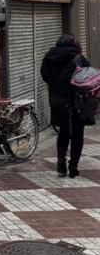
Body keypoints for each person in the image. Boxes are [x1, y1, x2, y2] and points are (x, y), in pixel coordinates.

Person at [40, 34, 90, 178]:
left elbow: (45, 76)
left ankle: (61, 162)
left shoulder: (49, 57)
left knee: (63, 132)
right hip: (76, 100)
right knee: (77, 134)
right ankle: (73, 166)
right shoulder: (78, 58)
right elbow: (88, 77)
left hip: (57, 100)